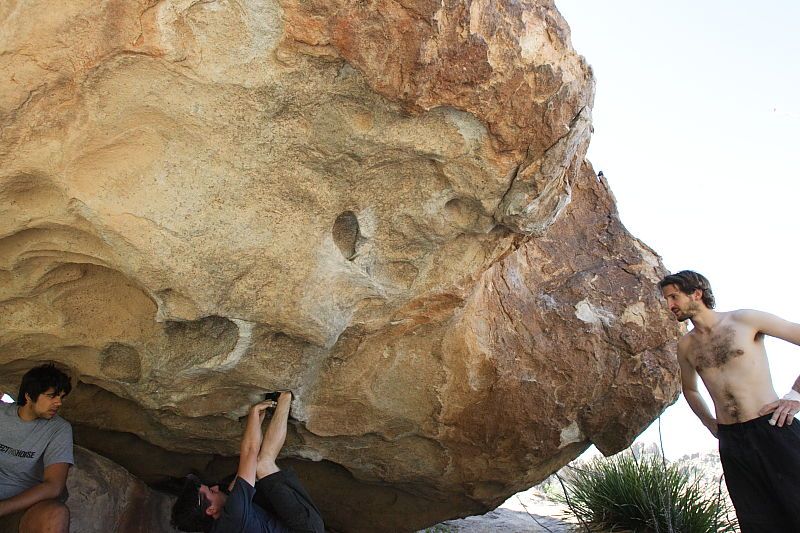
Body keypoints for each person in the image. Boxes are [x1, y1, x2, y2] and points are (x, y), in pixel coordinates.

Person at [659, 270, 800, 532]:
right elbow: (690, 389)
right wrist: (709, 423)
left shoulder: (745, 319)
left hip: (773, 427)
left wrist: (795, 396)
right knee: (756, 521)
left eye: (674, 297)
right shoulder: (686, 346)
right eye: (667, 300)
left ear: (696, 293)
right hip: (733, 441)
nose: (670, 306)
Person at [171, 392, 324, 533]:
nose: (215, 487)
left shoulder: (222, 526)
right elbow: (250, 451)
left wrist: (256, 424)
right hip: (307, 528)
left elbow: (242, 475)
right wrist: (254, 413)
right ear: (210, 510)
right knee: (262, 464)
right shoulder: (234, 516)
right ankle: (285, 397)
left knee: (243, 480)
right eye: (211, 492)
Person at [0, 363, 74, 533]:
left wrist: (3, 507)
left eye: (61, 397)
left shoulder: (59, 429)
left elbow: (54, 486)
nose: (59, 402)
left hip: (20, 510)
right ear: (28, 396)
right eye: (51, 396)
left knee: (56, 514)